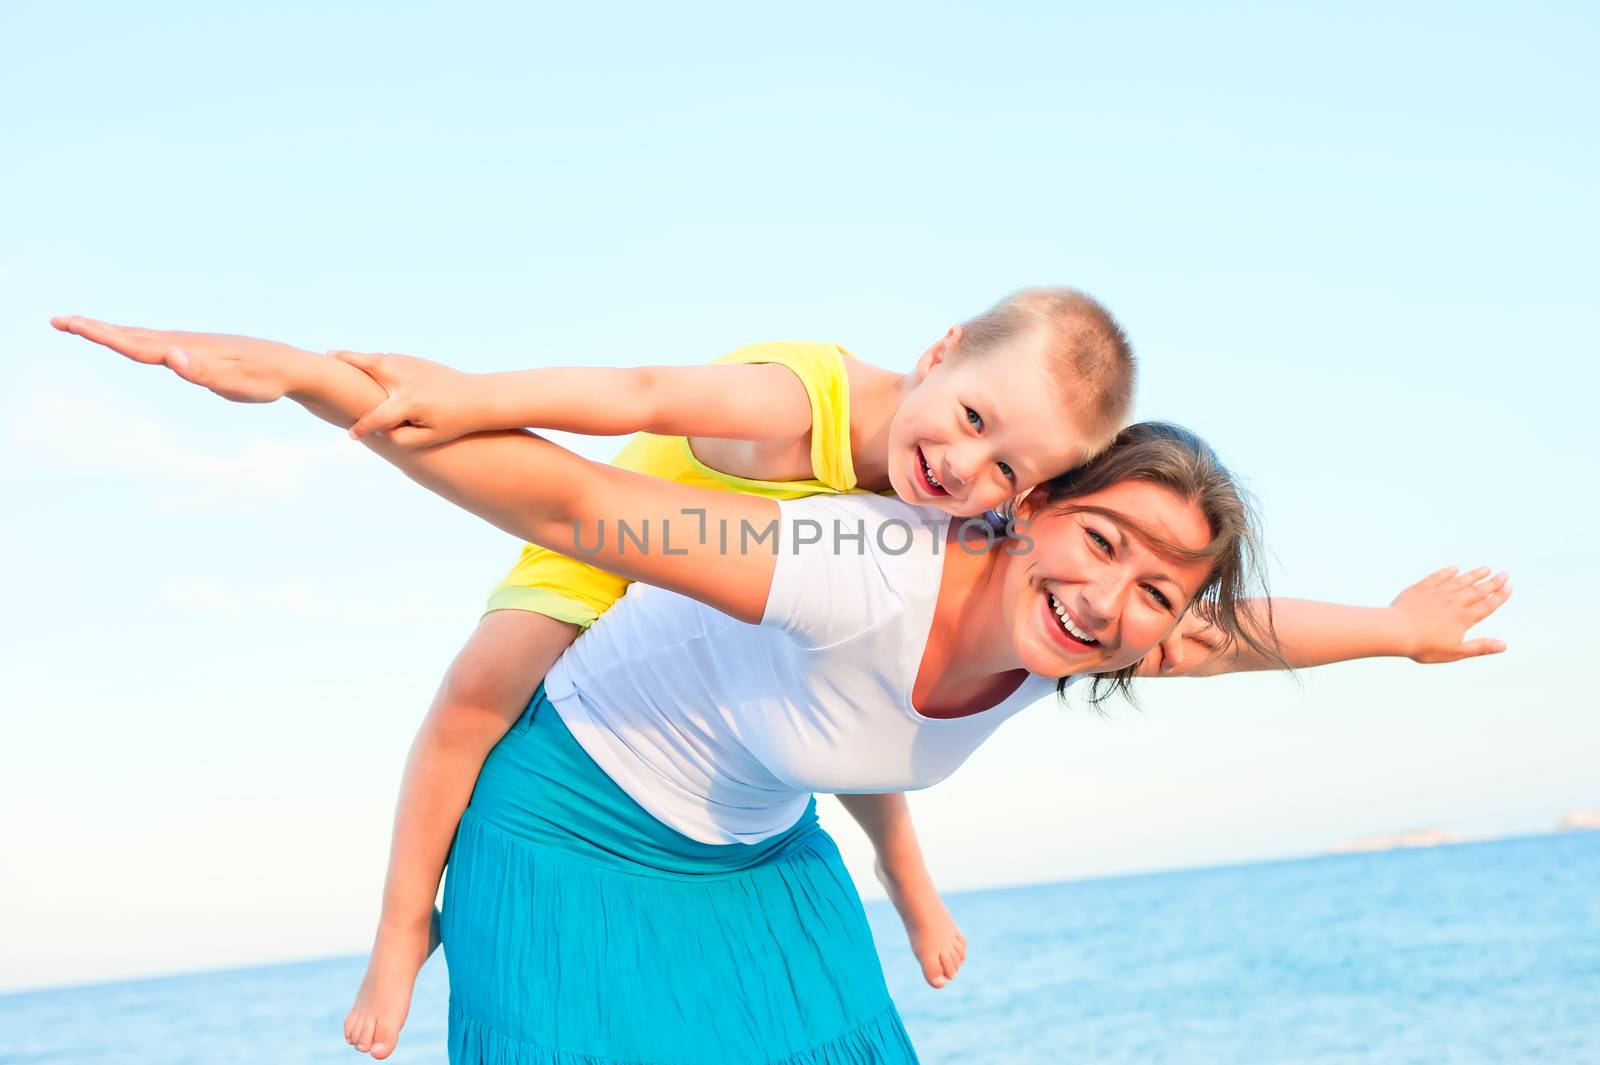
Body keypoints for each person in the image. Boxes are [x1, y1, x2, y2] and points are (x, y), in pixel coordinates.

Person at [55, 317, 1510, 1064]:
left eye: (1156, 588)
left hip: (757, 847)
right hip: (568, 825)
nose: (1116, 598)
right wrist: (322, 384)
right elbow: (573, 501)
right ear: (1036, 512)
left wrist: (1393, 627)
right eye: (1104, 540)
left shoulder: (1099, 629)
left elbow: (1241, 635)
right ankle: (405, 933)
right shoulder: (857, 562)